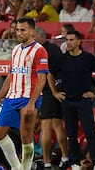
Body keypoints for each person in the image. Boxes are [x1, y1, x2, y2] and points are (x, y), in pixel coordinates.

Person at [0, 16, 49, 170]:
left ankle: (25, 168)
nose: (19, 33)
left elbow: (42, 79)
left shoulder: (40, 51)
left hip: (28, 98)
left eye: (23, 30)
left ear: (32, 32)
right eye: (17, 30)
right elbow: (11, 76)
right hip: (11, 98)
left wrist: (31, 103)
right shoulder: (16, 50)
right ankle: (17, 167)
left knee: (25, 136)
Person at [47, 30, 95, 170]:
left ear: (79, 42)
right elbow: (50, 74)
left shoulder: (88, 58)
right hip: (67, 101)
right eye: (67, 40)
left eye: (71, 40)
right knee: (71, 134)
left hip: (84, 101)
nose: (68, 42)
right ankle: (74, 163)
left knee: (90, 132)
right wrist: (55, 93)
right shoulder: (62, 59)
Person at [34, 27, 69, 169]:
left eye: (34, 37)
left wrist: (53, 92)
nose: (33, 40)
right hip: (60, 88)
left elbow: (48, 73)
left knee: (47, 126)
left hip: (50, 91)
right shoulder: (55, 49)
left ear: (41, 37)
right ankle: (65, 157)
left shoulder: (43, 50)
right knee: (57, 125)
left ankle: (48, 162)